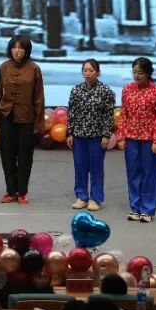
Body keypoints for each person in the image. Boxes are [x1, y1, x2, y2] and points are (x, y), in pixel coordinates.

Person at [0, 34, 45, 204]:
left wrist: (39, 121)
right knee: (7, 155)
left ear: (27, 50)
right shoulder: (3, 67)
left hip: (26, 118)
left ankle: (22, 192)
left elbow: (39, 97)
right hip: (6, 116)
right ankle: (10, 191)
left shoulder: (34, 69)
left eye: (21, 48)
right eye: (14, 47)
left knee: (25, 155)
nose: (17, 51)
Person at [117, 57, 156, 223]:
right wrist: (121, 137)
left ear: (148, 73)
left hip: (150, 139)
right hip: (131, 138)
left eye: (140, 73)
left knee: (150, 174)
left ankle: (147, 209)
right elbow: (123, 114)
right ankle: (134, 208)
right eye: (134, 72)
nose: (136, 76)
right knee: (133, 173)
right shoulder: (127, 89)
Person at [65, 58, 115, 211]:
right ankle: (82, 196)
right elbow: (71, 113)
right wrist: (70, 133)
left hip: (97, 137)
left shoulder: (105, 91)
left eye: (91, 70)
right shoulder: (76, 90)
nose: (87, 73)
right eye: (85, 70)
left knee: (96, 168)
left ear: (97, 72)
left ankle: (95, 198)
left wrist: (106, 135)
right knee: (80, 167)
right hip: (79, 136)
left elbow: (108, 115)